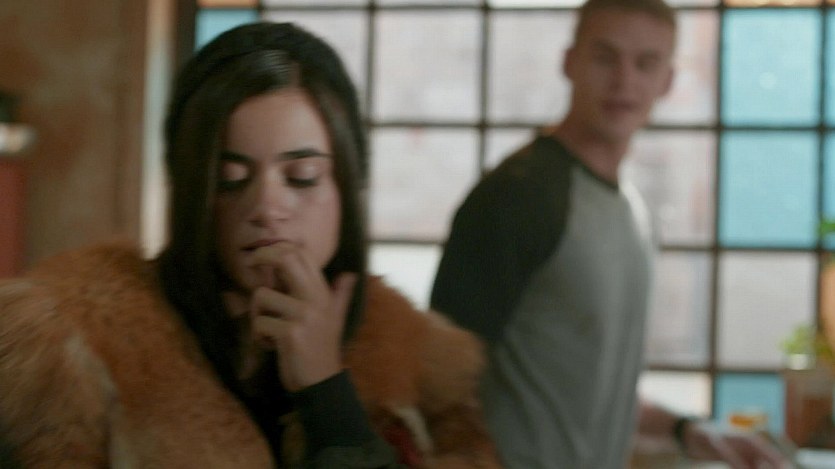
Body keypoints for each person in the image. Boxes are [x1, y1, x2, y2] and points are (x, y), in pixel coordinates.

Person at [0, 22, 502, 468]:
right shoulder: (69, 346)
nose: (266, 206)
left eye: (302, 176)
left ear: (348, 185)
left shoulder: (422, 367)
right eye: (230, 178)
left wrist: (327, 392)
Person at [430, 0, 792, 468]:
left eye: (645, 63)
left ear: (667, 80)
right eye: (605, 58)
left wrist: (687, 432)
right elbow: (436, 382)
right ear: (569, 63)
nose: (624, 81)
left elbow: (587, 396)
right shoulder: (518, 196)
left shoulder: (633, 211)